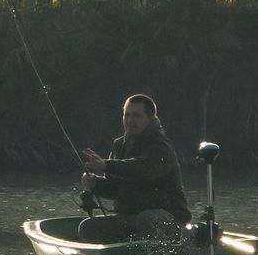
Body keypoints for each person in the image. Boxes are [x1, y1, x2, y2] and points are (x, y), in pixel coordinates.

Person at [78, 94, 192, 242]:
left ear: (149, 119)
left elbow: (144, 169)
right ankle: (118, 254)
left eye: (137, 116)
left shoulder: (161, 146)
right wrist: (95, 184)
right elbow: (117, 189)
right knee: (88, 228)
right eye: (127, 115)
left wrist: (106, 165)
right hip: (130, 217)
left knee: (148, 220)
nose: (131, 120)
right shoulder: (120, 145)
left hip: (169, 218)